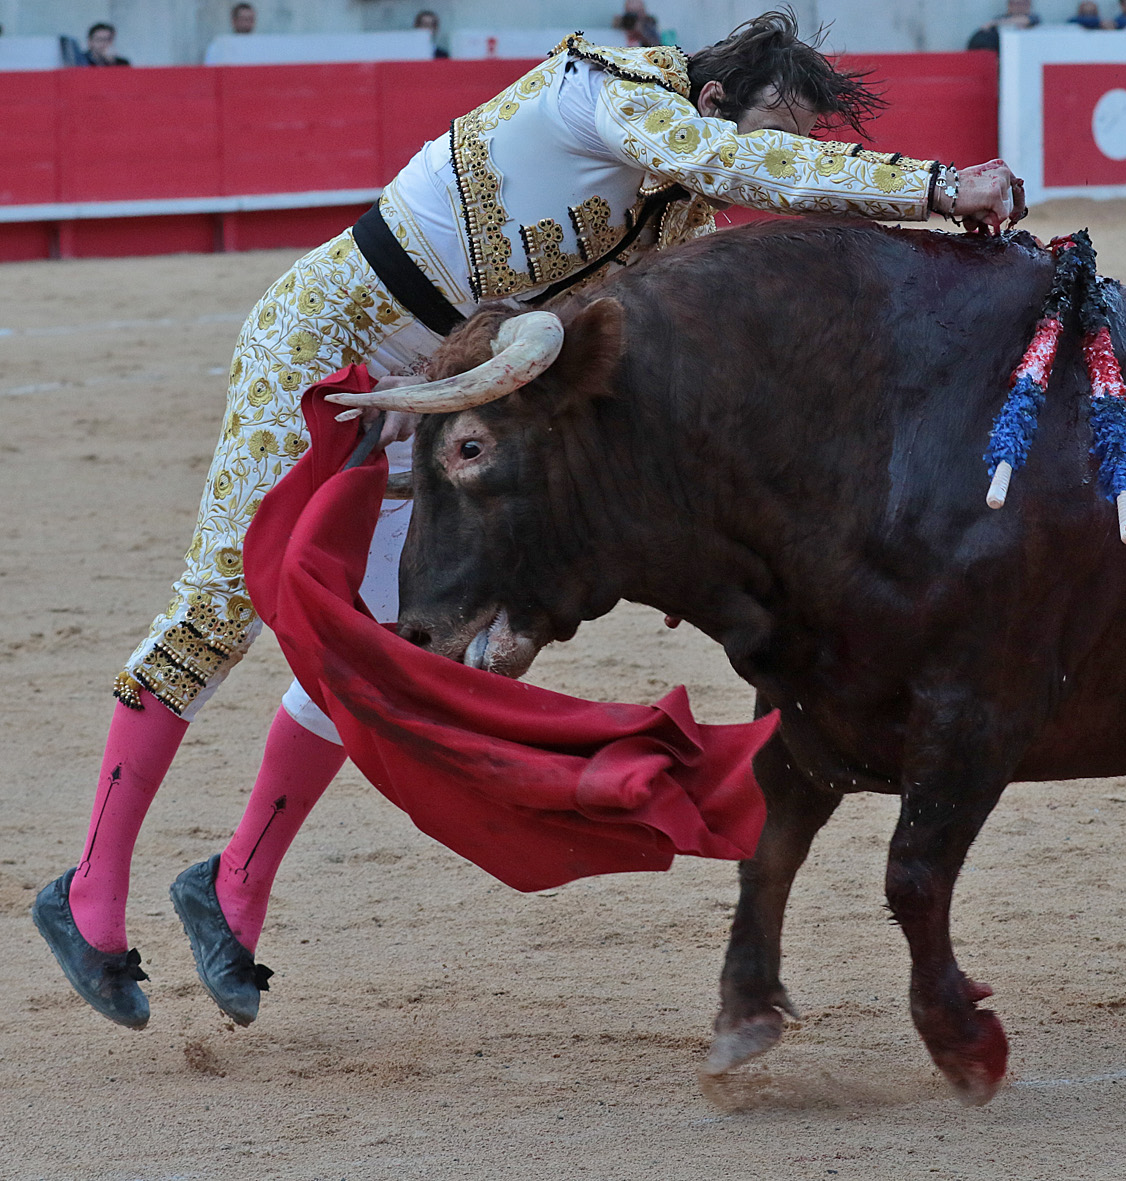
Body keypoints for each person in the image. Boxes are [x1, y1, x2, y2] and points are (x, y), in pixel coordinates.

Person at [32, 10, 1023, 1033]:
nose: (781, 164)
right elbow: (737, 163)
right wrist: (935, 187)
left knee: (385, 646)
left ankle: (232, 883)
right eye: (780, 133)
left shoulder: (678, 214)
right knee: (219, 606)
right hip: (323, 342)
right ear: (714, 100)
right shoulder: (602, 89)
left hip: (440, 397)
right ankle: (89, 887)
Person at [967, 0, 1040, 52]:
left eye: (1023, 4)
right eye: (1016, 4)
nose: (1019, 7)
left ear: (1029, 5)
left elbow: (1026, 20)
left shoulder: (1034, 18)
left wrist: (995, 23)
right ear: (1009, 5)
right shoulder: (1000, 19)